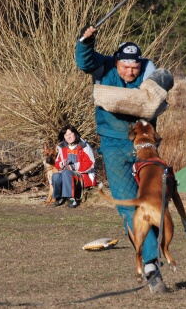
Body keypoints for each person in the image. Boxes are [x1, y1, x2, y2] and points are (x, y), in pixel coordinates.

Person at [75, 25, 174, 293]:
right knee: (130, 207)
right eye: (126, 67)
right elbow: (83, 60)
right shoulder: (104, 68)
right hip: (114, 144)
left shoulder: (148, 71)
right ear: (117, 62)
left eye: (135, 68)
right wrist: (86, 40)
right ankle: (152, 265)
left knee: (153, 202)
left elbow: (159, 90)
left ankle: (152, 254)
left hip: (146, 146)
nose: (131, 73)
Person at [51, 124, 97, 208]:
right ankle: (59, 197)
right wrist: (61, 164)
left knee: (66, 173)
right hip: (66, 173)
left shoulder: (84, 146)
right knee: (56, 176)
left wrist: (74, 166)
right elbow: (57, 164)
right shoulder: (62, 147)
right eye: (66, 135)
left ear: (75, 134)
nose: (68, 137)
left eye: (70, 134)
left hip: (82, 175)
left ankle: (72, 199)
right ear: (64, 137)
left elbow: (91, 163)